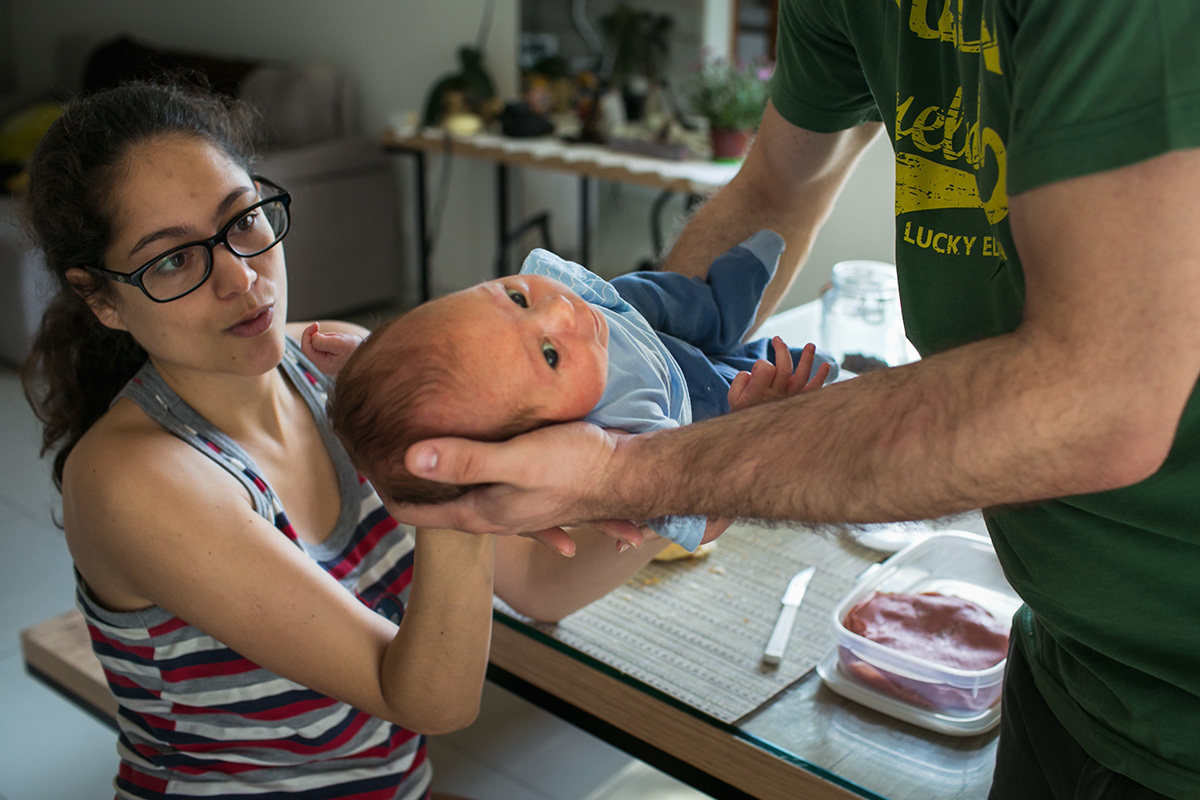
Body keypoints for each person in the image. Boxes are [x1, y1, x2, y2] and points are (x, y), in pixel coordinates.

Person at [387, 2, 1200, 798]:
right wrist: (638, 383)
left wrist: (632, 470)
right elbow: (776, 185)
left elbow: (1099, 400)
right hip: (1069, 663)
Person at [19, 80, 678, 800]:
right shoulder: (133, 479)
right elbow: (427, 699)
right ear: (101, 297)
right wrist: (451, 480)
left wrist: (682, 487)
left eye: (242, 220)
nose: (241, 277)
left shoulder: (328, 368)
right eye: (173, 261)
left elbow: (542, 586)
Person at [321, 236, 834, 551]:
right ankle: (777, 361)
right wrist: (747, 428)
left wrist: (376, 354)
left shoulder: (557, 328)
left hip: (631, 318)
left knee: (679, 298)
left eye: (515, 297)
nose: (561, 310)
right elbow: (704, 525)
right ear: (546, 438)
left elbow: (464, 359)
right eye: (549, 355)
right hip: (687, 393)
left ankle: (725, 298)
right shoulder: (626, 431)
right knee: (737, 381)